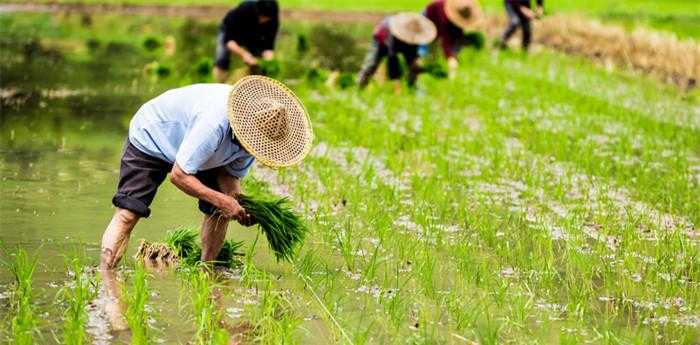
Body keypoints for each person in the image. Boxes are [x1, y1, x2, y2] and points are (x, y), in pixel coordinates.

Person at [99, 76, 313, 270]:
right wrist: (221, 200)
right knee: (128, 213)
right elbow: (179, 175)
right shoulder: (214, 123)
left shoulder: (256, 140)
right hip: (153, 136)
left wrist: (239, 205)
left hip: (199, 151)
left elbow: (229, 176)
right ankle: (105, 278)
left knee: (220, 212)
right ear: (244, 127)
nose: (253, 149)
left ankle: (207, 271)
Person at [357, 13, 437, 91]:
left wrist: (416, 65)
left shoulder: (414, 38)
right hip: (381, 40)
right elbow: (392, 58)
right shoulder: (393, 34)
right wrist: (396, 83)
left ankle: (412, 88)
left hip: (400, 43)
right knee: (372, 64)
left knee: (413, 65)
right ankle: (360, 86)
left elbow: (413, 56)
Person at [213, 0, 280, 82]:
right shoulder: (244, 10)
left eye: (266, 18)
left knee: (258, 65)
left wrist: (268, 60)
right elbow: (229, 41)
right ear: (257, 11)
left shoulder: (273, 18)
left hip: (253, 34)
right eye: (262, 17)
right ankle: (219, 84)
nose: (263, 20)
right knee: (222, 59)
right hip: (231, 31)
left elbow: (269, 45)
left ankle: (254, 88)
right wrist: (244, 54)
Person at [423, 0, 482, 78]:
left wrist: (454, 54)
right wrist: (450, 57)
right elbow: (445, 39)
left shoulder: (459, 14)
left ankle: (435, 62)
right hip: (429, 16)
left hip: (444, 20)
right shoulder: (444, 18)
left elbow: (457, 33)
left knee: (453, 44)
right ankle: (427, 67)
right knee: (427, 45)